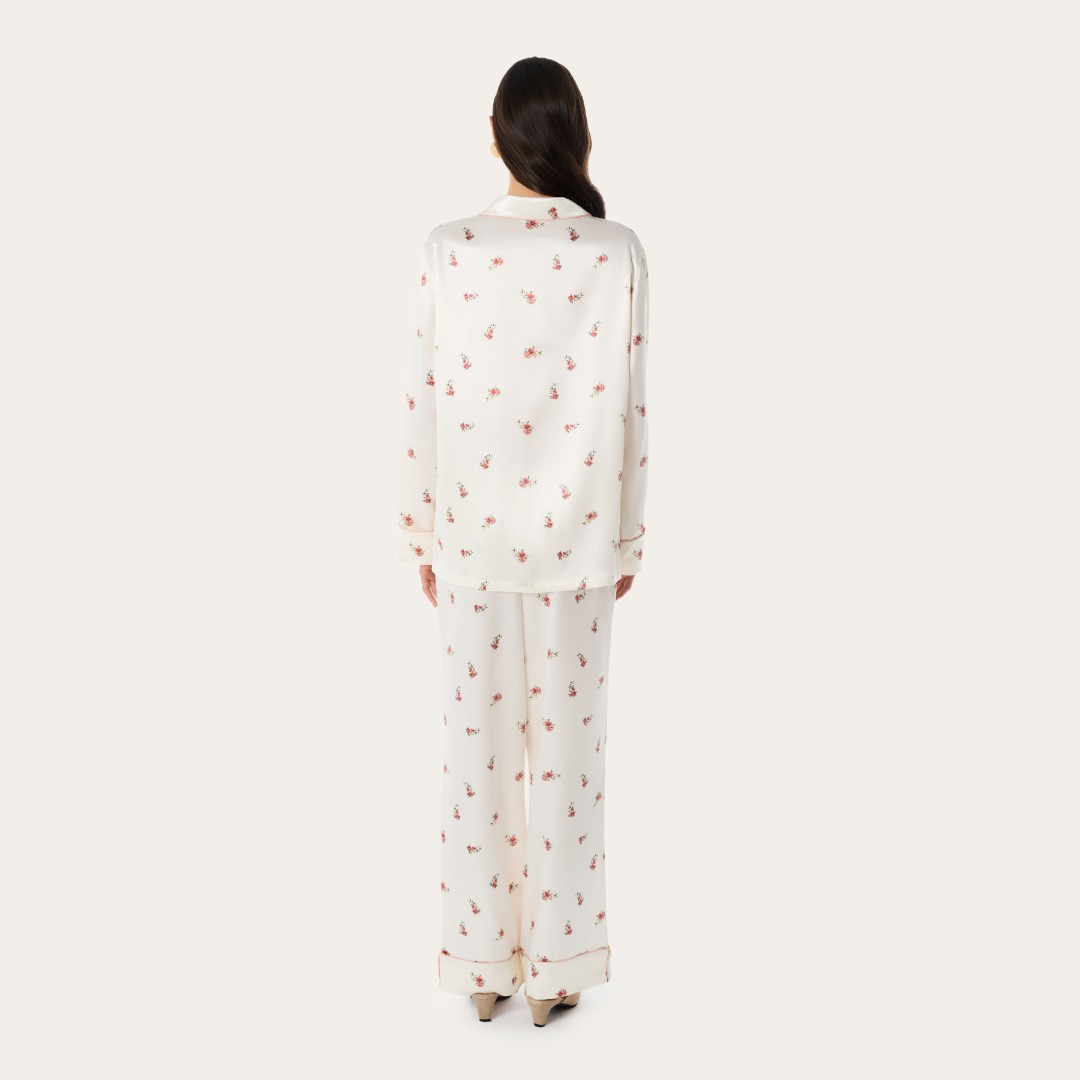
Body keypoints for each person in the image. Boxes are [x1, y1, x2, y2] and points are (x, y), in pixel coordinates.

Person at [396, 57, 650, 1026]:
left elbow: (423, 395)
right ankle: (555, 970)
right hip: (578, 544)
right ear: (577, 135)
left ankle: (481, 965)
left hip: (472, 541)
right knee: (569, 759)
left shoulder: (449, 248)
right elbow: (632, 406)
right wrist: (627, 539)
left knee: (476, 762)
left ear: (496, 134)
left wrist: (422, 528)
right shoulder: (616, 252)